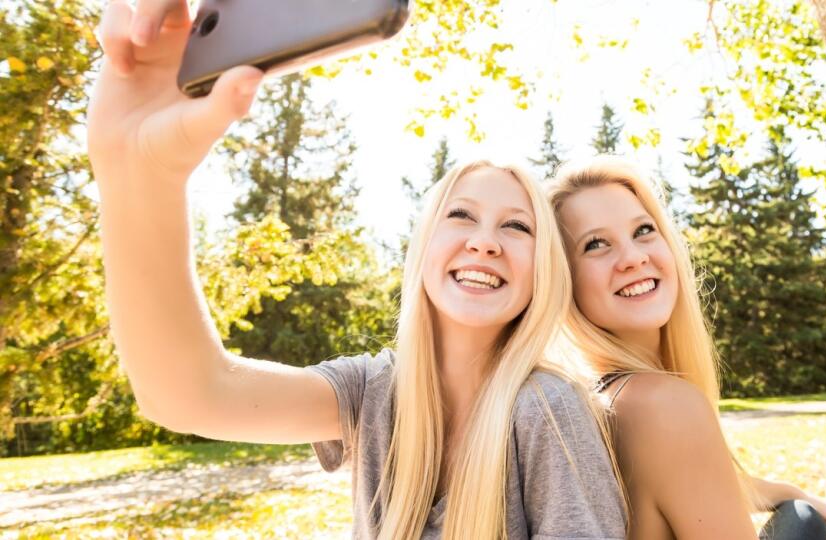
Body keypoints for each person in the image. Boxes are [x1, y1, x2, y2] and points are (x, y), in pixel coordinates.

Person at [86, 1, 627, 538]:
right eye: (461, 216)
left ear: (545, 270)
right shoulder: (372, 392)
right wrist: (137, 175)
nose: (484, 243)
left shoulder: (551, 411)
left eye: (517, 227)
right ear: (422, 249)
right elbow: (189, 395)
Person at [548, 156, 826, 540]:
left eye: (643, 230)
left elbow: (684, 475)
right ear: (562, 281)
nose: (634, 257)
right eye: (596, 244)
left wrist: (785, 493)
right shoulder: (664, 404)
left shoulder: (604, 399)